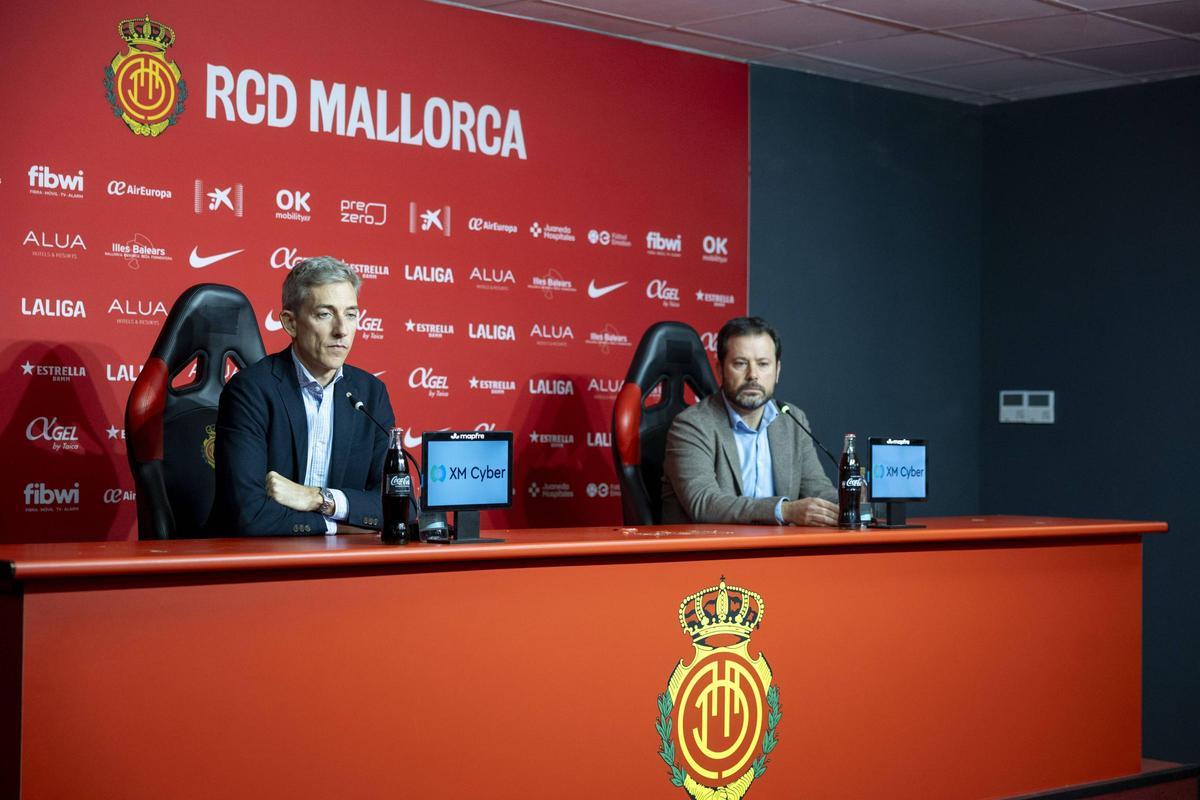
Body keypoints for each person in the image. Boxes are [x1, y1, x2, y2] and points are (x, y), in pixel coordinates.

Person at [208, 256, 395, 535]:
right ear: (290, 323)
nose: (342, 329)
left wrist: (317, 498)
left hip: (340, 565)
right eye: (325, 314)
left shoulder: (370, 394)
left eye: (351, 314)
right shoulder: (250, 391)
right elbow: (246, 514)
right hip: (259, 563)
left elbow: (400, 506)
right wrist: (342, 525)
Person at [660, 316, 838, 526]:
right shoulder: (692, 425)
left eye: (763, 364)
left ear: (777, 371)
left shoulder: (792, 420)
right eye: (740, 363)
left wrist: (855, 504)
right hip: (712, 553)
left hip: (778, 552)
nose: (753, 375)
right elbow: (703, 503)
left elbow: (818, 490)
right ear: (720, 370)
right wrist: (783, 510)